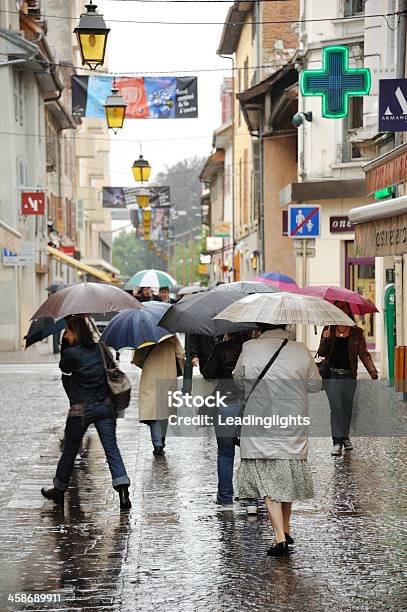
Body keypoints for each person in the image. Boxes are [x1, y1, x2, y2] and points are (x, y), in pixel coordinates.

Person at [233, 323, 321, 557]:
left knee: (266, 477)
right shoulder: (301, 350)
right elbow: (316, 384)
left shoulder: (249, 347)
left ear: (260, 327)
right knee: (287, 472)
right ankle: (286, 528)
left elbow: (238, 381)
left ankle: (280, 537)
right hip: (293, 421)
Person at [41, 316, 131, 510]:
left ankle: (58, 490)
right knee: (111, 449)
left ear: (75, 332)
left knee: (70, 450)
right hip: (105, 406)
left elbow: (63, 367)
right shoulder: (100, 348)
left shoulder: (72, 353)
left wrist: (65, 344)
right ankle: (123, 490)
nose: (67, 334)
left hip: (80, 409)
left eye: (69, 331)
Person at [318, 300, 378, 457]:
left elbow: (364, 354)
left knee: (347, 408)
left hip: (349, 376)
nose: (340, 310)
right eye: (337, 308)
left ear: (348, 311)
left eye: (343, 308)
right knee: (336, 409)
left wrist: (373, 372)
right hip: (332, 375)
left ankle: (345, 436)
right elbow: (322, 353)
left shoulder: (356, 332)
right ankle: (337, 442)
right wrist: (324, 339)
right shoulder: (328, 329)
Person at [202, 333, 246, 510]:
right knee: (252, 455)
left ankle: (225, 497)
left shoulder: (222, 349)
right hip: (250, 405)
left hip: (225, 404)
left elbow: (208, 374)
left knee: (225, 453)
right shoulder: (254, 348)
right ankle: (252, 499)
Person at [133, 335, 185, 455]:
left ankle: (157, 444)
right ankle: (161, 439)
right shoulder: (171, 336)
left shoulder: (144, 336)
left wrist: (147, 364)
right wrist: (179, 368)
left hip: (150, 375)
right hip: (168, 375)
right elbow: (181, 354)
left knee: (153, 411)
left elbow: (137, 359)